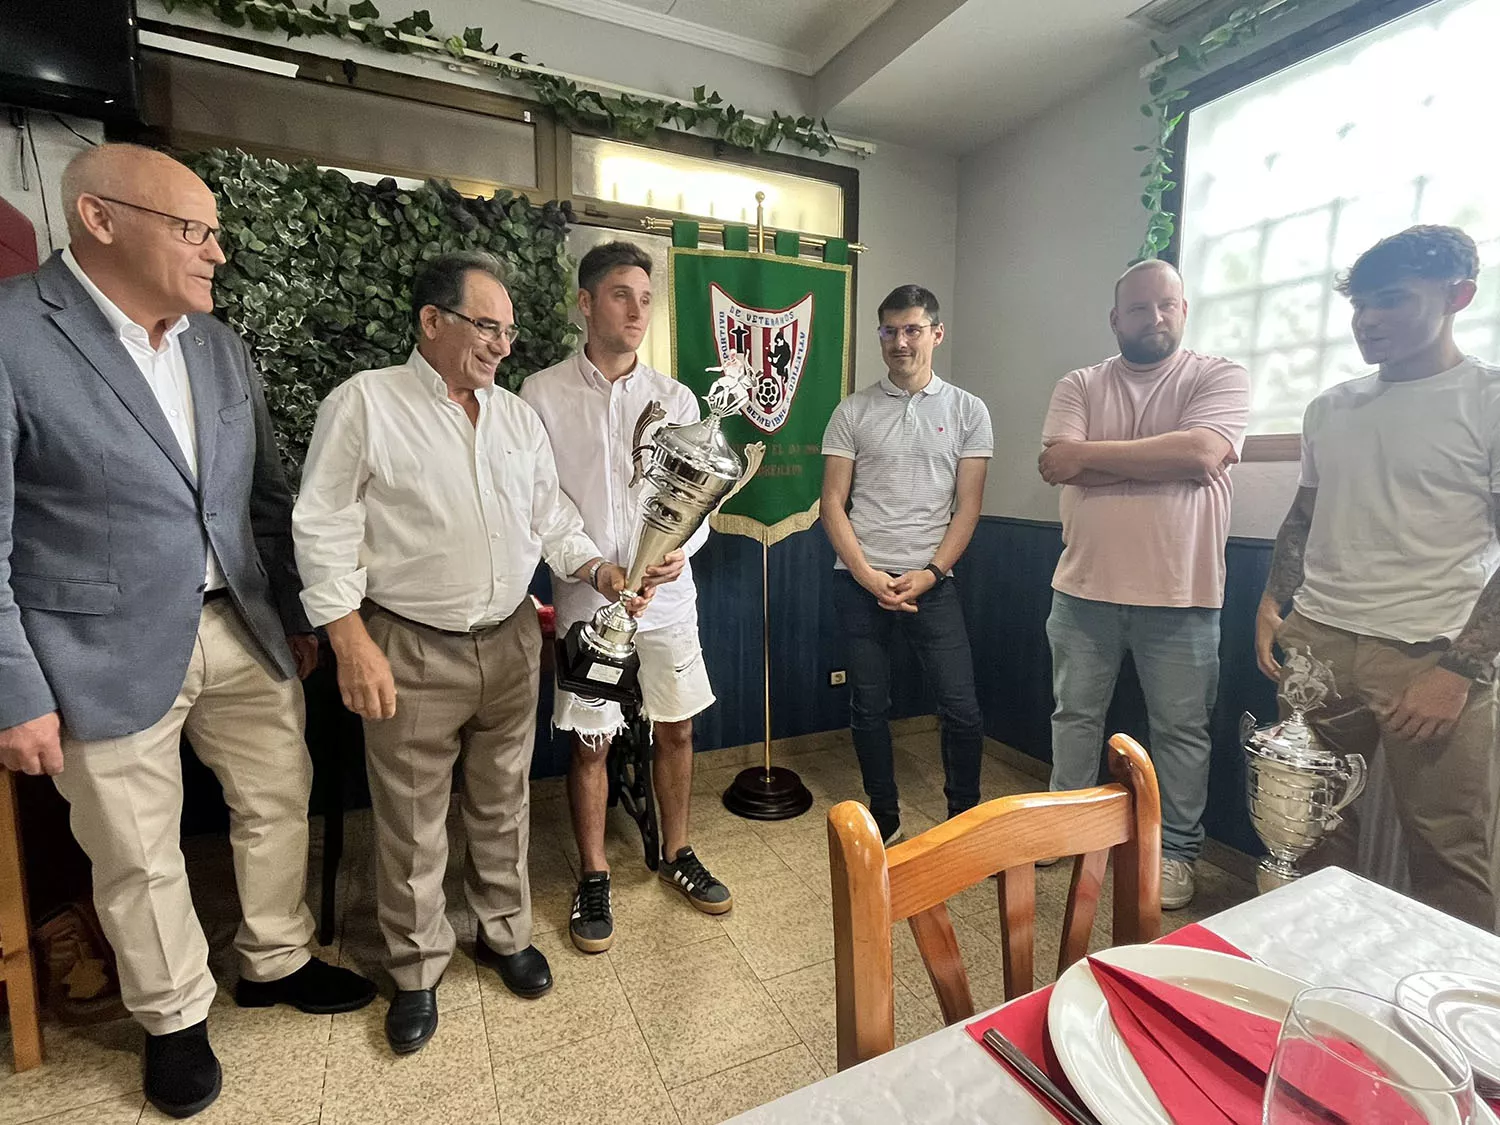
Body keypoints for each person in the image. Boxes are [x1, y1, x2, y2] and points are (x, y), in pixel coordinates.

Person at [0, 143, 375, 1118]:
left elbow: (261, 496)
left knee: (276, 798)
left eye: (216, 232)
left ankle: (276, 959)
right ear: (101, 219)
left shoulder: (215, 343)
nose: (216, 252)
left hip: (241, 625)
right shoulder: (11, 333)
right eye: (193, 230)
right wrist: (17, 691)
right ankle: (173, 1021)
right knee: (136, 848)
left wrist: (292, 612)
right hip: (97, 649)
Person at [292, 250, 643, 1054]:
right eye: (487, 326)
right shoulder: (367, 405)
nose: (501, 346)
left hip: (514, 637)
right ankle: (416, 969)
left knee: (502, 800)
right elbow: (322, 525)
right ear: (431, 320)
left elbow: (548, 512)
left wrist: (593, 563)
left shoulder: (517, 417)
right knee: (412, 819)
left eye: (509, 332)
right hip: (408, 644)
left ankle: (505, 930)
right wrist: (348, 637)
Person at [1255, 225, 1500, 930]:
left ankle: (1450, 1023)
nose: (1368, 321)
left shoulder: (1486, 398)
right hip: (1320, 641)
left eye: (1391, 301)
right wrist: (1274, 599)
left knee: (1449, 851)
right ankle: (1315, 974)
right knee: (1311, 826)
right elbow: (1305, 514)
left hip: (1429, 649)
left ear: (1460, 296)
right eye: (1360, 305)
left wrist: (1459, 670)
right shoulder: (1331, 407)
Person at [520, 241, 731, 955]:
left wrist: (677, 556)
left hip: (669, 602)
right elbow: (544, 503)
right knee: (591, 739)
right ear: (585, 302)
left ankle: (676, 850)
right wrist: (594, 569)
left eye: (645, 297)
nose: (637, 309)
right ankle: (595, 872)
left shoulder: (675, 398)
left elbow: (695, 504)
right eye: (620, 294)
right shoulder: (541, 394)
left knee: (676, 726)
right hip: (589, 604)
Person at [1037, 259, 1248, 910]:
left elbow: (1203, 455)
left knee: (1181, 730)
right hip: (1083, 589)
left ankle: (1177, 852)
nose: (1154, 318)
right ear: (1115, 318)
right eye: (1139, 308)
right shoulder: (1080, 382)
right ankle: (1068, 828)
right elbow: (1055, 462)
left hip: (1183, 596)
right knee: (1075, 717)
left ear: (1183, 309)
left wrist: (1095, 458)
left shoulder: (1219, 376)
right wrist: (1167, 456)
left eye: (1168, 305)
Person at [820, 284, 992, 846]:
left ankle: (964, 819)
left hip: (933, 582)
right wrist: (869, 576)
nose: (900, 342)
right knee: (868, 706)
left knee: (961, 708)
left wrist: (933, 572)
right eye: (889, 331)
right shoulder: (852, 410)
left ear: (936, 334)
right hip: (861, 583)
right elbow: (832, 505)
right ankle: (885, 817)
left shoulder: (969, 410)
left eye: (912, 329)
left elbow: (968, 507)